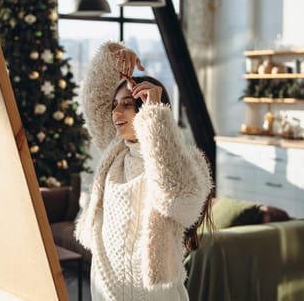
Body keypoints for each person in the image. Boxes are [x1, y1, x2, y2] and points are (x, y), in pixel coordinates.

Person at [74, 41, 213, 301]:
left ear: (146, 108)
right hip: (106, 290)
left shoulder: (184, 160)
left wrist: (155, 115)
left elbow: (179, 199)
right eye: (115, 104)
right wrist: (112, 59)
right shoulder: (115, 152)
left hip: (155, 295)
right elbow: (93, 101)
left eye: (127, 104)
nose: (116, 111)